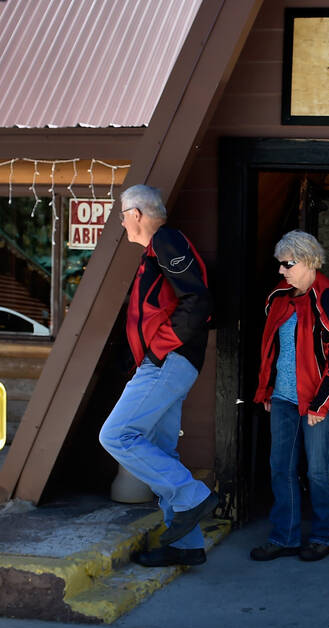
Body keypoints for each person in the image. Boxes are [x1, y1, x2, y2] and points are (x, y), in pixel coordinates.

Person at [99, 184, 221, 567]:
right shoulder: (157, 250)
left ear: (136, 214)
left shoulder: (167, 241)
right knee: (162, 450)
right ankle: (186, 545)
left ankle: (192, 496)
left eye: (122, 215)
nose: (121, 222)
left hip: (167, 362)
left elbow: (197, 299)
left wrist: (158, 348)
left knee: (117, 435)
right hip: (166, 363)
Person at [251, 231, 329, 562]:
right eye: (280, 265)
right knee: (280, 466)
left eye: (287, 264)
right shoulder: (278, 297)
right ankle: (285, 537)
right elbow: (271, 349)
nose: (281, 271)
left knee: (317, 470)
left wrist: (321, 404)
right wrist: (266, 389)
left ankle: (323, 536)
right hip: (283, 397)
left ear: (308, 261)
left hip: (321, 401)